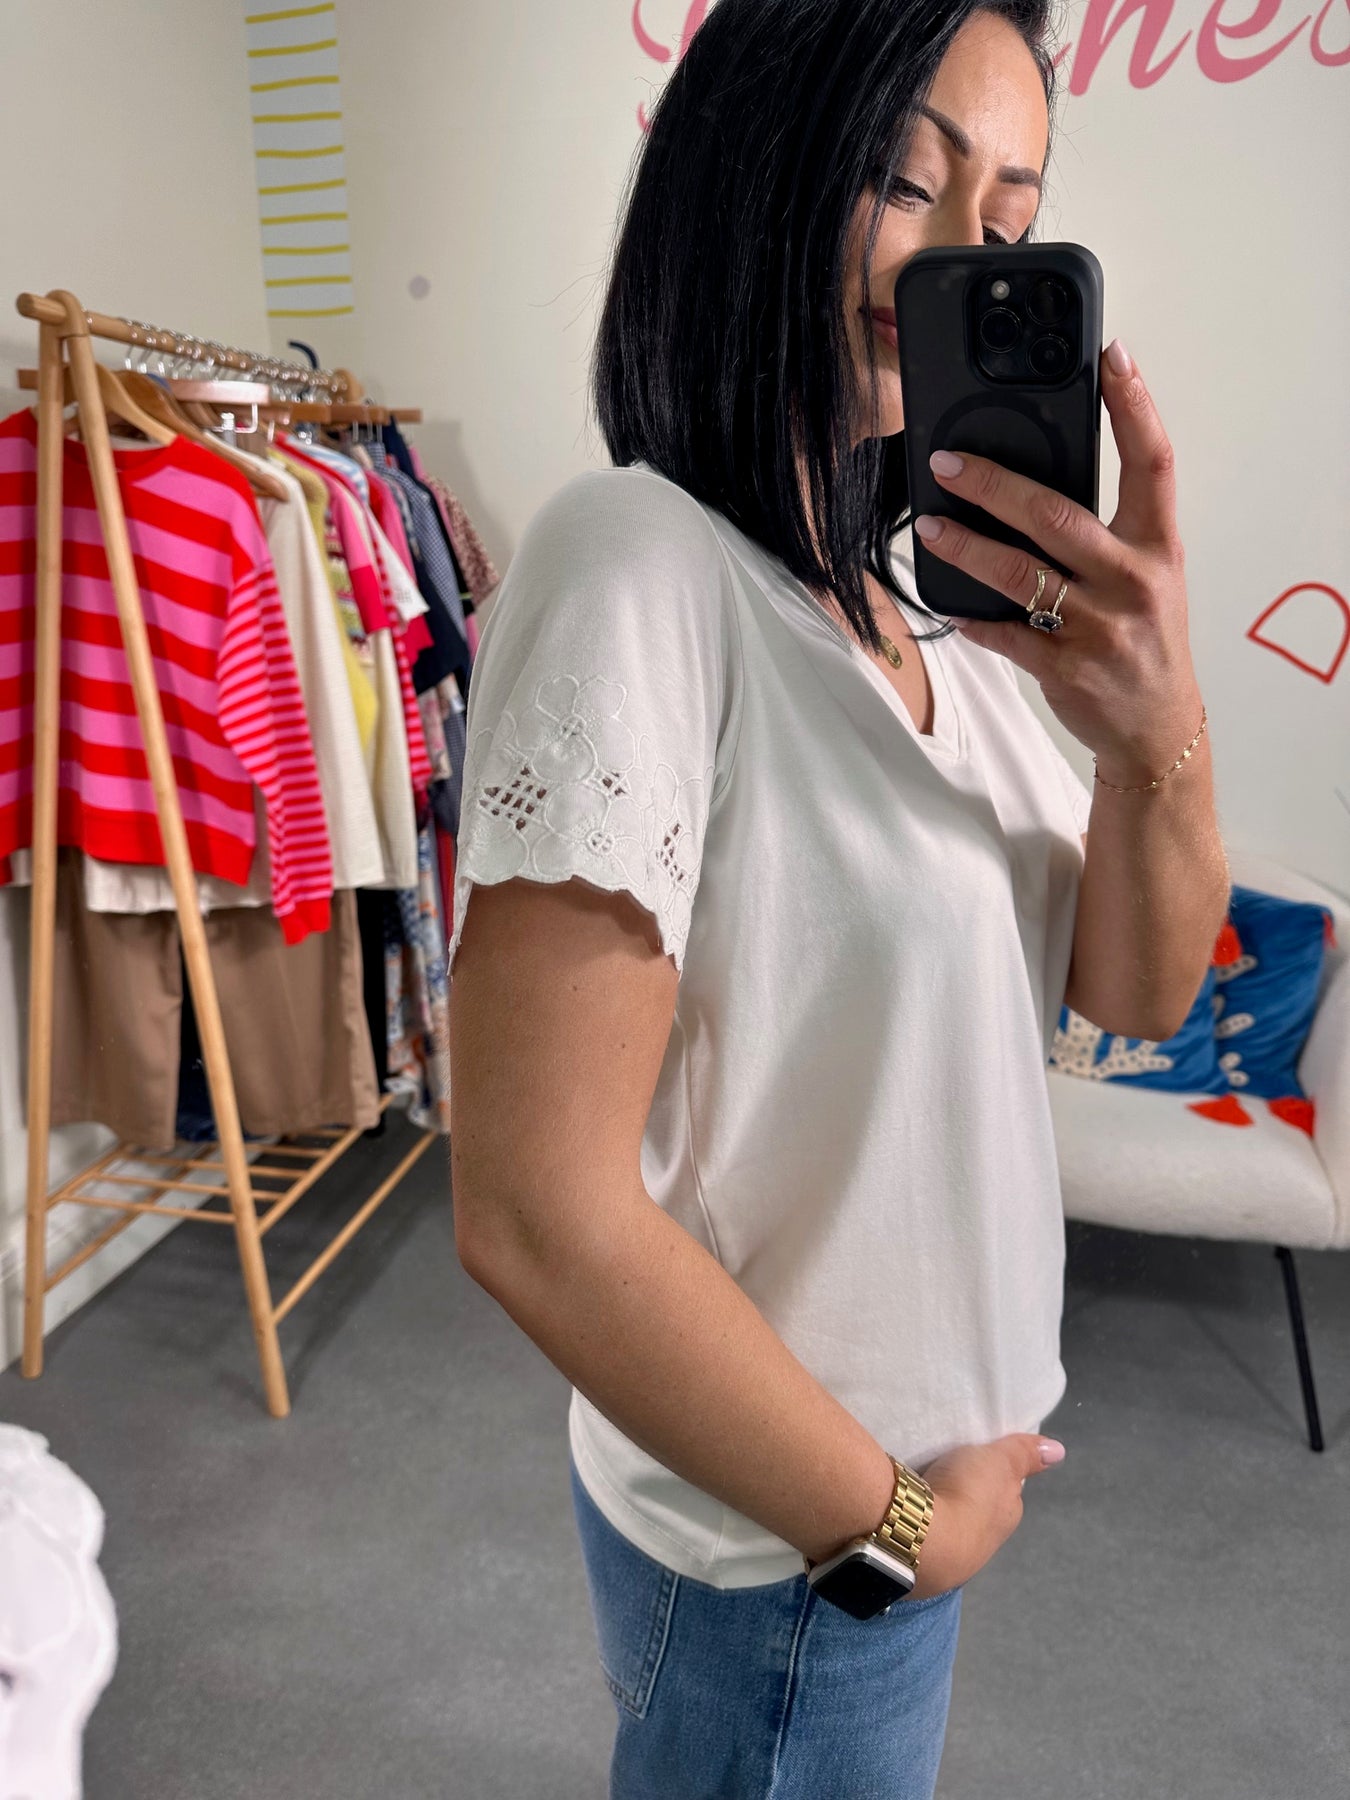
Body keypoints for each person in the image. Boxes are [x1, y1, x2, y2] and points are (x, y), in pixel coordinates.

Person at [447, 1, 1228, 1794]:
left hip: (868, 1514)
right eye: (900, 177)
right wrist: (893, 1534)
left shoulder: (931, 616)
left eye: (1010, 220)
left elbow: (1134, 991)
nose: (960, 255)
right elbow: (535, 1211)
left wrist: (1158, 733)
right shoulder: (640, 562)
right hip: (792, 1549)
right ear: (755, 170)